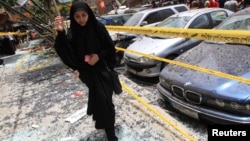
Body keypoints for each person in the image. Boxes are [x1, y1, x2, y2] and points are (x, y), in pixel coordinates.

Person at [53, 1, 119, 141]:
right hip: (88, 74)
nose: (81, 19)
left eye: (84, 15)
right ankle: (106, 125)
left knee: (105, 102)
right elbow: (66, 51)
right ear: (73, 17)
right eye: (77, 16)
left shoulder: (98, 28)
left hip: (102, 70)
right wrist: (60, 32)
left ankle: (111, 135)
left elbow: (110, 47)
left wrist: (98, 56)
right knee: (102, 101)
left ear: (89, 14)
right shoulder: (73, 32)